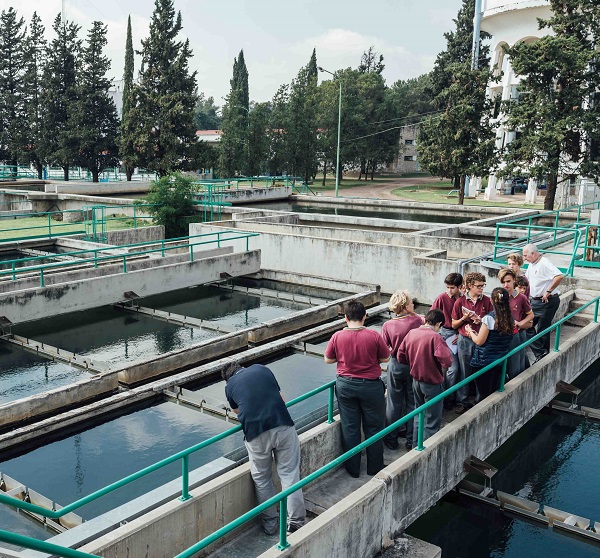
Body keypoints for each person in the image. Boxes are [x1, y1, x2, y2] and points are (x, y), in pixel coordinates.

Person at [222, 360, 305, 535]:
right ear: (241, 367)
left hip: (256, 434)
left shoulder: (230, 386)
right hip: (282, 425)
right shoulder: (262, 369)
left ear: (227, 378)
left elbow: (240, 412)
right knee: (290, 475)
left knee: (262, 479)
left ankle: (270, 525)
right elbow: (282, 399)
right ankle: (296, 523)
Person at [324, 299, 390, 478]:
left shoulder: (337, 336)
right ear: (364, 316)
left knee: (350, 427)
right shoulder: (374, 335)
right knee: (374, 427)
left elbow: (328, 359)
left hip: (345, 385)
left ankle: (353, 469)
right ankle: (374, 467)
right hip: (370, 386)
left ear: (345, 317)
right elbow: (386, 359)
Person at [397, 309, 453, 447]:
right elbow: (447, 360)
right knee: (432, 418)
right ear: (438, 323)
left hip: (416, 380)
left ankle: (416, 444)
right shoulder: (435, 337)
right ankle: (427, 447)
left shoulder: (411, 333)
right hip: (432, 382)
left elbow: (400, 356)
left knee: (418, 413)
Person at [381, 291, 424, 451]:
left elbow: (384, 350)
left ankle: (391, 439)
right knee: (413, 402)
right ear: (406, 306)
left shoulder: (387, 325)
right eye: (412, 303)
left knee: (393, 403)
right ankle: (411, 440)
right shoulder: (416, 321)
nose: (414, 305)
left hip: (395, 364)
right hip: (413, 364)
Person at [451, 272, 493, 414]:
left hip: (481, 338)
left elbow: (492, 320)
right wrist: (464, 318)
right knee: (464, 370)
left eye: (483, 285)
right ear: (469, 286)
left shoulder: (487, 301)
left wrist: (481, 320)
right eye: (479, 286)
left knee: (481, 369)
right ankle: (462, 401)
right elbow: (453, 324)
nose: (481, 288)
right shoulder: (460, 302)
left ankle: (479, 398)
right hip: (466, 340)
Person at [465, 288, 515, 400]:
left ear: (491, 301)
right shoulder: (510, 318)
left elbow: (479, 341)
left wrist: (470, 332)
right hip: (500, 360)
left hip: (484, 361)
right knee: (494, 391)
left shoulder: (489, 318)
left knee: (483, 395)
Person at [523, 244, 564, 363]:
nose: (525, 258)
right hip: (535, 300)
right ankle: (541, 353)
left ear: (533, 254)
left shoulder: (544, 262)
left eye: (526, 255)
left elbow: (559, 276)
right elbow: (527, 279)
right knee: (527, 327)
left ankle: (542, 355)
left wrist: (548, 291)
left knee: (542, 329)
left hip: (546, 300)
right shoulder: (532, 264)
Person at [430, 272, 463, 410]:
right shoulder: (441, 298)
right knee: (452, 369)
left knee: (460, 367)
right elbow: (431, 316)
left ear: (459, 287)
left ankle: (454, 396)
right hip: (446, 332)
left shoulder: (463, 299)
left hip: (460, 332)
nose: (449, 290)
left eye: (452, 288)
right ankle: (448, 397)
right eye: (448, 287)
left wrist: (459, 333)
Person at [498, 269, 533, 377]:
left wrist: (521, 323)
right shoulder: (498, 296)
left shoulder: (521, 297)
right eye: (503, 282)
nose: (505, 285)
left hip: (515, 333)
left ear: (514, 280)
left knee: (515, 364)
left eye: (508, 281)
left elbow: (531, 315)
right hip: (500, 334)